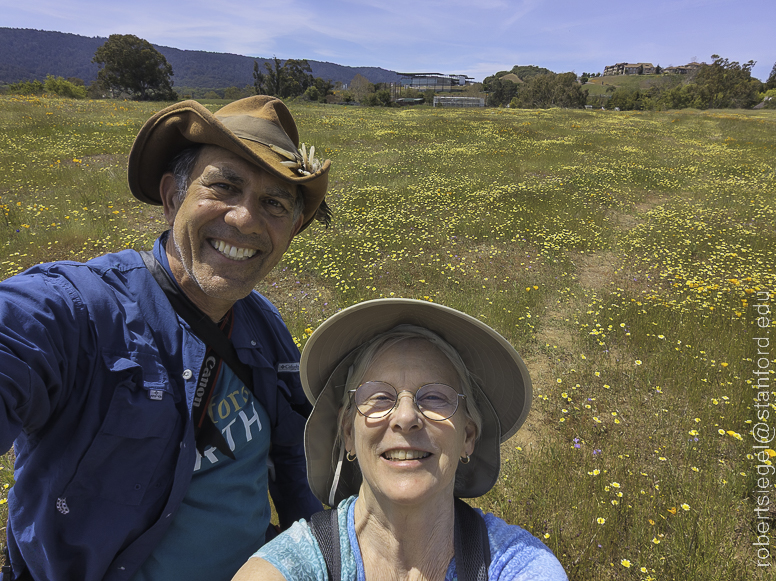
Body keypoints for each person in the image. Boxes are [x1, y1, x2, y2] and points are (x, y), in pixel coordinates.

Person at [0, 95, 330, 581]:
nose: (244, 219)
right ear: (173, 197)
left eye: (274, 203)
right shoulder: (81, 311)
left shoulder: (264, 325)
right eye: (224, 186)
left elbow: (297, 459)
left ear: (293, 228)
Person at [233, 298, 568, 581]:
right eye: (379, 397)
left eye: (435, 397)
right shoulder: (289, 566)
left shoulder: (518, 565)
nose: (406, 417)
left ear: (468, 436)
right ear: (348, 433)